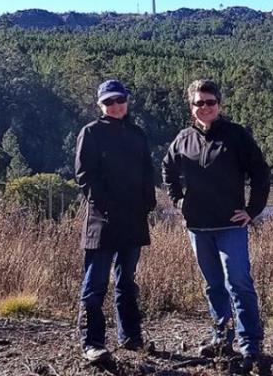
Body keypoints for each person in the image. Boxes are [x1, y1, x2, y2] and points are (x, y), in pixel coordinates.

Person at [162, 79, 270, 372]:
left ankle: (250, 344)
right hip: (198, 227)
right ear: (191, 107)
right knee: (213, 286)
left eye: (210, 102)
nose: (205, 107)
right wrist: (179, 202)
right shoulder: (183, 138)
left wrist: (252, 210)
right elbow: (167, 170)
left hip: (231, 226)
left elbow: (260, 173)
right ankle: (222, 338)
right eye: (199, 103)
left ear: (219, 104)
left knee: (239, 283)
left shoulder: (236, 136)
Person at [75, 79, 156, 363]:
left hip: (133, 220)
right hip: (102, 222)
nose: (115, 106)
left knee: (127, 282)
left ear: (127, 101)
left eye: (119, 100)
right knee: (95, 283)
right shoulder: (91, 133)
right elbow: (85, 177)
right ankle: (93, 343)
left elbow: (148, 170)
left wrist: (149, 202)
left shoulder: (137, 134)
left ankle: (131, 337)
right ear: (100, 105)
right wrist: (106, 206)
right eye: (108, 102)